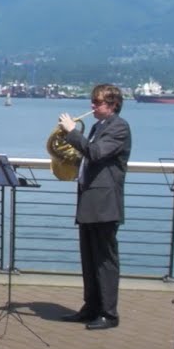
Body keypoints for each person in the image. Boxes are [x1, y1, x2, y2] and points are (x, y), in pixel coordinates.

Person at [58, 83, 131, 330]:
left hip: (105, 204)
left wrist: (71, 132)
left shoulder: (119, 127)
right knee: (88, 259)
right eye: (93, 100)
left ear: (112, 105)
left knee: (104, 261)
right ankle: (90, 308)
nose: (92, 105)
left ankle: (109, 314)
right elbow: (88, 157)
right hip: (89, 201)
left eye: (97, 102)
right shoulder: (97, 126)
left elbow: (97, 153)